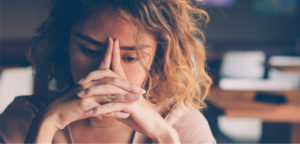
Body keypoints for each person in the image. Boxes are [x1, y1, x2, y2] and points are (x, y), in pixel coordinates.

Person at [0, 0, 215, 143]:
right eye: (88, 50)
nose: (107, 72)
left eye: (130, 57)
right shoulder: (24, 119)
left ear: (159, 56)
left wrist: (164, 136)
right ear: (65, 43)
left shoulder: (183, 126)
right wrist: (46, 126)